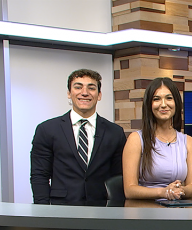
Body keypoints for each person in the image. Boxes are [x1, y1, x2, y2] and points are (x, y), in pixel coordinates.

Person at [30, 69, 127, 204]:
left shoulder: (115, 132)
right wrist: (43, 211)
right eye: (78, 87)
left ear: (99, 95)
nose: (85, 92)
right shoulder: (47, 130)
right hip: (61, 210)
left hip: (102, 210)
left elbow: (119, 177)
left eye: (91, 88)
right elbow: (39, 175)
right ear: (69, 93)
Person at [122, 77, 192, 200]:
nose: (163, 104)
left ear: (176, 103)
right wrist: (163, 192)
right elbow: (130, 189)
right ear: (149, 105)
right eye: (156, 99)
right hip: (146, 211)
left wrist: (180, 190)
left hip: (178, 210)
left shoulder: (188, 141)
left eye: (169, 98)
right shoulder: (136, 139)